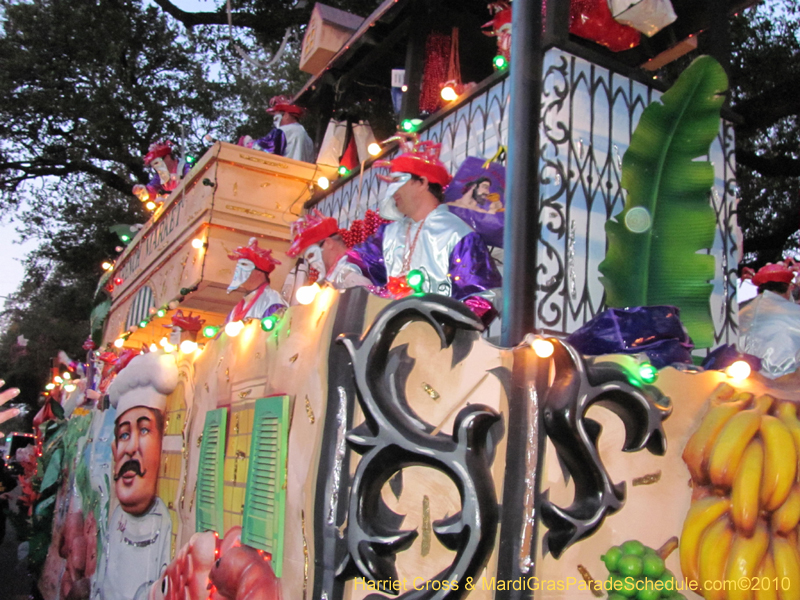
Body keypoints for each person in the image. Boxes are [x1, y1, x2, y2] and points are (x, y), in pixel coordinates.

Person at [348, 139, 502, 303]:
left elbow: (485, 297)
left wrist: (440, 323)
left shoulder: (456, 234)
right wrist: (356, 279)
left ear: (422, 182)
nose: (392, 192)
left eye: (398, 181)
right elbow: (355, 263)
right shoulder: (387, 235)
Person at [101, 352, 178, 600]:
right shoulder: (115, 520)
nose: (131, 447)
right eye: (124, 435)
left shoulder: (163, 524)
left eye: (144, 430)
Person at [282, 211, 371, 303]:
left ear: (328, 243)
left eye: (311, 255)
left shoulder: (351, 278)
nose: (312, 264)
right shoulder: (329, 282)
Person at [738, 261, 800, 383]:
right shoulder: (796, 312)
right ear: (787, 289)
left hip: (741, 381)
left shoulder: (740, 311)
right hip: (787, 387)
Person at [226, 238, 287, 322]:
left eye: (244, 265)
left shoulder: (271, 300)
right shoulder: (236, 310)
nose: (238, 269)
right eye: (238, 265)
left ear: (260, 272)